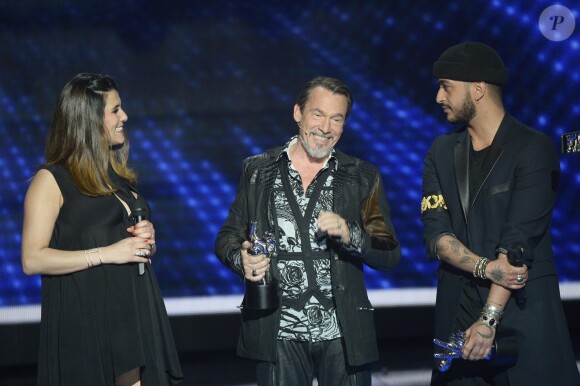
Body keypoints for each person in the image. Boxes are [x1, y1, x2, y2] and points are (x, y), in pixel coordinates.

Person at [214, 76, 401, 385]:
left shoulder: (362, 176)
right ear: (298, 113)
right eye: (318, 114)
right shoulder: (258, 170)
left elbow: (390, 254)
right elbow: (226, 238)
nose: (326, 128)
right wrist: (241, 259)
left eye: (336, 119)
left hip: (343, 335)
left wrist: (351, 234)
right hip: (278, 333)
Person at [422, 42, 580, 385]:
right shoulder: (441, 151)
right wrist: (483, 267)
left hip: (521, 320)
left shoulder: (533, 148)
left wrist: (489, 319)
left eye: (446, 87)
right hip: (457, 325)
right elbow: (436, 235)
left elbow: (518, 241)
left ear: (477, 89)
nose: (438, 97)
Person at [21, 73, 183, 386]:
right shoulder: (51, 180)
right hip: (87, 323)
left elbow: (126, 249)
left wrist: (146, 240)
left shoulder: (119, 180)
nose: (125, 116)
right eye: (115, 110)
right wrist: (106, 253)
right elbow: (32, 259)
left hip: (132, 317)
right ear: (89, 120)